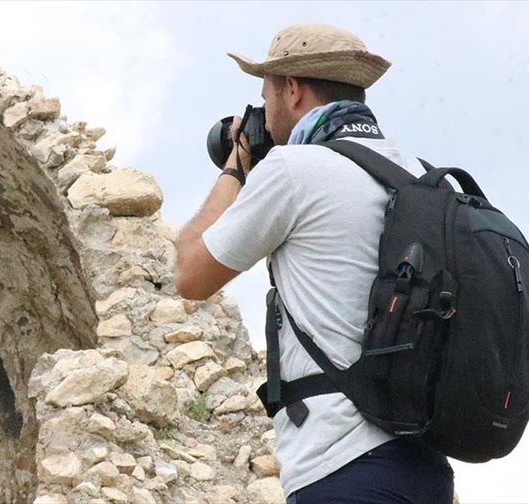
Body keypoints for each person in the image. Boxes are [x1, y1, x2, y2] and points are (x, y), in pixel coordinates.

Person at [174, 24, 455, 503]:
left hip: (341, 467)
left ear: (292, 88)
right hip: (427, 469)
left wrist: (238, 163)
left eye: (265, 94)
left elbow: (190, 273)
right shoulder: (422, 176)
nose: (263, 110)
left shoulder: (295, 170)